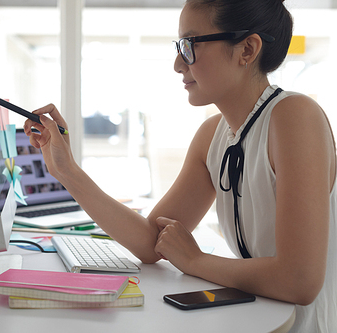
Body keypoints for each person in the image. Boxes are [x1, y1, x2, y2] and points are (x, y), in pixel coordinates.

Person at [23, 0, 336, 331]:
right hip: (255, 321)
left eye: (189, 45)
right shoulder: (212, 135)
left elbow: (299, 281)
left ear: (247, 49)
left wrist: (196, 260)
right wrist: (67, 172)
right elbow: (151, 242)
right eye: (178, 46)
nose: (177, 64)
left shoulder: (295, 118)